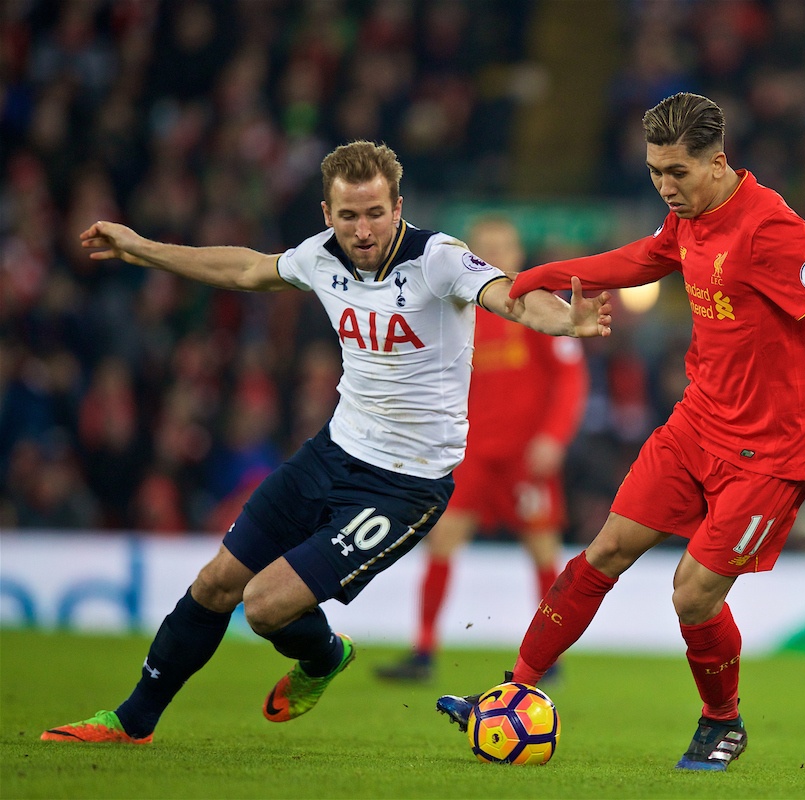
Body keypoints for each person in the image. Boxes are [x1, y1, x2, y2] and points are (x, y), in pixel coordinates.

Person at [41, 140, 612, 745]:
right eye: (347, 216)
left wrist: (565, 319)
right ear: (326, 213)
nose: (361, 230)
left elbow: (508, 296)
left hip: (405, 484)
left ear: (398, 207)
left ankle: (322, 656)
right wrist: (143, 249)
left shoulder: (440, 258)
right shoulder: (320, 257)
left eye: (374, 213)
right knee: (215, 585)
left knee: (263, 606)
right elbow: (246, 269)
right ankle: (132, 723)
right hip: (332, 453)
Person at [436, 92, 805, 770]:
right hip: (698, 424)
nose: (666, 187)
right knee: (604, 550)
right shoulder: (689, 217)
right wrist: (544, 276)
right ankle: (512, 690)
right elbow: (646, 257)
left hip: (770, 453)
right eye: (654, 172)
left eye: (678, 173)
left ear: (718, 164)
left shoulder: (770, 228)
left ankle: (721, 721)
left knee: (692, 592)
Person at [375, 216, 587, 682]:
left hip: (524, 455)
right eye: (484, 249)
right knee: (443, 540)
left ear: (516, 256)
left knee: (542, 549)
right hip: (468, 453)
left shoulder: (537, 306)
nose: (492, 257)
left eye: (501, 248)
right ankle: (425, 651)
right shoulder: (453, 310)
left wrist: (552, 437)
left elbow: (570, 379)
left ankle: (546, 656)